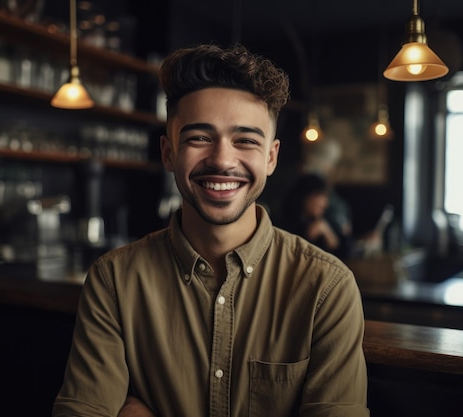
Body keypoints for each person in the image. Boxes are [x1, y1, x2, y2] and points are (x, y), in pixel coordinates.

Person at [52, 43, 369, 417]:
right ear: (169, 152)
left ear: (271, 157)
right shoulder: (114, 280)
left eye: (246, 141)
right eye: (199, 138)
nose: (221, 159)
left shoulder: (327, 287)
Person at [277, 173, 353, 260]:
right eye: (321, 196)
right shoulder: (284, 224)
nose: (325, 204)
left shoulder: (325, 220)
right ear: (306, 196)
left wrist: (327, 232)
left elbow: (344, 253)